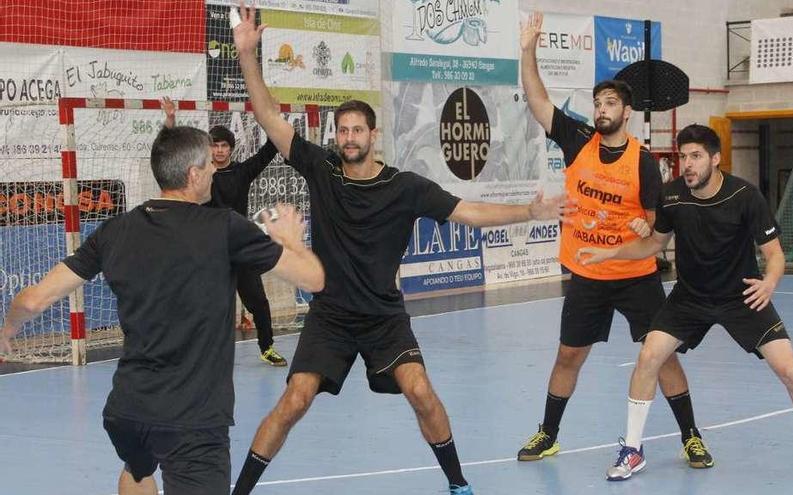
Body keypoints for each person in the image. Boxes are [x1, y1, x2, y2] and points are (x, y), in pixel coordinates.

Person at [228, 4, 574, 495]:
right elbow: (268, 115)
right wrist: (247, 55)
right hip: (330, 316)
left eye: (357, 131)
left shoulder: (404, 187)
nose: (348, 138)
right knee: (294, 400)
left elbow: (468, 211)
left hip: (383, 317)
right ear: (336, 137)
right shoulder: (321, 169)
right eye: (341, 131)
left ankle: (458, 484)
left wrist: (528, 212)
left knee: (420, 392)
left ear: (373, 136)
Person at [0, 126, 325, 495]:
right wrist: (292, 241)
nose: (216, 171)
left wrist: (8, 329)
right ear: (193, 175)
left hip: (128, 412)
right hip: (194, 420)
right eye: (209, 165)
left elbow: (31, 301)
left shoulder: (115, 230)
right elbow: (313, 279)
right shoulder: (224, 227)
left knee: (138, 469)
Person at [578, 124, 793, 481]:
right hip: (689, 297)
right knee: (649, 356)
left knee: (789, 370)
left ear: (716, 159)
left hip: (741, 296)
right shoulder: (672, 196)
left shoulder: (745, 196)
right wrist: (608, 254)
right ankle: (633, 450)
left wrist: (769, 283)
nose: (688, 165)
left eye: (696, 156)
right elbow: (652, 245)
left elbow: (774, 254)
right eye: (683, 157)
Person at [515, 12, 712, 469]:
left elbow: (652, 224)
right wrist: (528, 50)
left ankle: (691, 437)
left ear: (625, 112)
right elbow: (537, 98)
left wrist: (646, 228)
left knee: (660, 356)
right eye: (598, 101)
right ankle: (549, 434)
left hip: (634, 276)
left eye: (610, 103)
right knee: (568, 355)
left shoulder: (643, 162)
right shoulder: (576, 139)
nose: (601, 108)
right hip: (586, 272)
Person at [162, 97, 288, 367]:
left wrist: (273, 118)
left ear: (230, 149)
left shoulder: (242, 172)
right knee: (203, 305)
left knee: (259, 303)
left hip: (239, 249)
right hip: (209, 250)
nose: (219, 151)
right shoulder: (197, 176)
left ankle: (267, 347)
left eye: (224, 146)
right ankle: (196, 352)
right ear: (208, 150)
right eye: (215, 146)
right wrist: (170, 122)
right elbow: (170, 153)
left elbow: (269, 150)